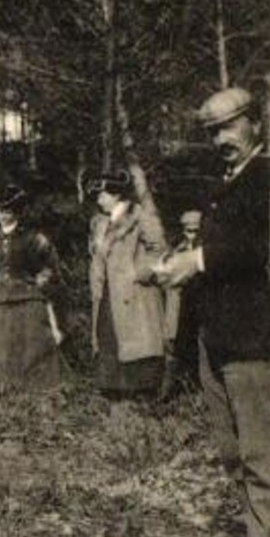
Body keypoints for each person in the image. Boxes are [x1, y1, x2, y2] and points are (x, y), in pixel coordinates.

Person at [153, 87, 270, 537]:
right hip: (218, 337)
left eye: (229, 127)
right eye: (213, 131)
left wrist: (201, 261)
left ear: (255, 122)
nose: (220, 140)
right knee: (231, 451)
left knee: (261, 452)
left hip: (257, 337)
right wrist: (180, 267)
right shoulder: (225, 184)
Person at [0, 185, 62, 393]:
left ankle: (35, 394)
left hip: (29, 302)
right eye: (1, 211)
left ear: (17, 212)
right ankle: (2, 394)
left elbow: (50, 267)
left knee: (32, 349)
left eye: (9, 211)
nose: (4, 216)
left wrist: (37, 285)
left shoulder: (34, 239)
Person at [87, 170, 168, 399]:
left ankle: (142, 397)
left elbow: (160, 250)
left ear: (116, 195)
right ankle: (115, 395)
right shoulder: (100, 223)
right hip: (108, 293)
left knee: (137, 347)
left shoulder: (141, 216)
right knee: (109, 339)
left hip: (136, 295)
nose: (98, 199)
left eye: (102, 194)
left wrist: (142, 271)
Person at [159, 210, 204, 402]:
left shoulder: (207, 252)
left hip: (199, 310)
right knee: (173, 350)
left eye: (195, 230)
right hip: (178, 308)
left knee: (200, 351)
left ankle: (199, 393)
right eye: (188, 230)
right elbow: (162, 276)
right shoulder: (176, 250)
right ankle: (167, 395)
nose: (192, 235)